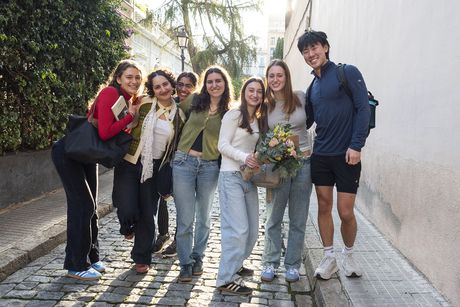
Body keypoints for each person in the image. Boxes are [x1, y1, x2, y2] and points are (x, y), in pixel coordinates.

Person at [51, 59, 142, 280]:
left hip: (86, 154)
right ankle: (75, 264)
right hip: (69, 153)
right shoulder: (111, 93)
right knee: (82, 206)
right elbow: (104, 132)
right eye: (129, 77)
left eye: (138, 77)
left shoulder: (127, 99)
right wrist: (130, 117)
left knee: (90, 208)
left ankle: (92, 257)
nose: (134, 81)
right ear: (118, 78)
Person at [297, 30, 370, 279]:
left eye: (314, 48)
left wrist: (357, 145)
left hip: (347, 154)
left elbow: (363, 109)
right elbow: (305, 121)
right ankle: (329, 259)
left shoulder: (346, 72)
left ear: (325, 47)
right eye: (305, 51)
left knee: (346, 211)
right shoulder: (313, 86)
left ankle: (348, 256)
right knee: (324, 206)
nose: (310, 54)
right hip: (321, 156)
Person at [112, 69, 185, 274]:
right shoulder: (143, 103)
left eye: (165, 84)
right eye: (157, 86)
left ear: (172, 85)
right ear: (152, 90)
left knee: (147, 212)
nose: (162, 89)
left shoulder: (179, 115)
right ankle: (127, 226)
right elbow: (128, 120)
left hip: (154, 168)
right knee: (125, 205)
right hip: (130, 162)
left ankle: (142, 258)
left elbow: (176, 145)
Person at [172, 65, 233, 283]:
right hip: (183, 163)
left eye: (218, 81)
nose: (214, 85)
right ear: (205, 84)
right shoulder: (194, 100)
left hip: (209, 166)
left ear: (225, 84)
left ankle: (198, 257)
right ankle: (185, 263)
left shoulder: (230, 111)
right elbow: (175, 114)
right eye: (210, 81)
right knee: (185, 218)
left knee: (204, 217)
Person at [260, 60, 313, 283]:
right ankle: (270, 262)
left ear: (286, 76)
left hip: (303, 164)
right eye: (271, 76)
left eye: (279, 75)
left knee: (298, 218)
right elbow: (261, 136)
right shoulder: (265, 105)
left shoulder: (301, 97)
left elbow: (310, 122)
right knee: (273, 217)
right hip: (277, 166)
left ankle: (292, 264)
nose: (275, 79)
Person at [216, 77, 267, 295]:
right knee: (237, 229)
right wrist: (244, 156)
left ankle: (236, 264)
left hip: (247, 178)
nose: (255, 94)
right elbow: (222, 145)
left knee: (253, 230)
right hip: (230, 176)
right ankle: (226, 279)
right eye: (251, 90)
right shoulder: (234, 114)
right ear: (244, 92)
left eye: (259, 91)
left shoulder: (257, 119)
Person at [153, 71, 199, 258]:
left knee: (182, 201)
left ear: (195, 87)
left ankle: (179, 241)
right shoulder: (170, 103)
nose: (183, 89)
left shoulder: (196, 107)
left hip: (185, 160)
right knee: (160, 195)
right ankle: (163, 233)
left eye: (188, 85)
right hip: (164, 157)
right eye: (180, 84)